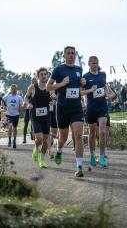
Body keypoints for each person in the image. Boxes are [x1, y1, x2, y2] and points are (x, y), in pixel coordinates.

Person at [46, 46, 86, 177]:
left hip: (76, 108)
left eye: (73, 53)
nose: (71, 55)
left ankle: (79, 167)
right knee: (63, 137)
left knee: (78, 135)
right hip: (62, 108)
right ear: (64, 55)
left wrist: (83, 83)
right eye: (68, 53)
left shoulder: (79, 69)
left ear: (75, 55)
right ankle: (59, 150)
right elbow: (48, 86)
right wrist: (62, 84)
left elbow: (79, 86)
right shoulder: (58, 69)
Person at [81, 56, 109, 168]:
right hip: (91, 108)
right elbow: (81, 92)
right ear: (89, 64)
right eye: (93, 63)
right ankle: (92, 155)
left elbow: (105, 87)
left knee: (102, 132)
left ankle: (102, 156)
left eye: (97, 63)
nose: (95, 65)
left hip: (102, 106)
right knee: (92, 134)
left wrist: (107, 93)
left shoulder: (103, 74)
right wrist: (90, 90)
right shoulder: (85, 77)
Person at [24, 68, 55, 168]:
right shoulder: (33, 87)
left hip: (47, 117)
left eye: (45, 74)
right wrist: (28, 104)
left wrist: (53, 101)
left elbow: (53, 99)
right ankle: (36, 148)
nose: (44, 76)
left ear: (47, 76)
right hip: (35, 117)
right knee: (39, 138)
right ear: (38, 76)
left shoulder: (50, 88)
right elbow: (26, 97)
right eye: (41, 74)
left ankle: (41, 160)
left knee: (45, 140)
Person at [2, 84, 24, 149]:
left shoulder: (19, 97)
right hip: (9, 114)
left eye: (15, 89)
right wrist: (4, 107)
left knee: (14, 128)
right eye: (12, 89)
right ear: (11, 90)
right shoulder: (8, 96)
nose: (14, 90)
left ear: (16, 90)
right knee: (10, 127)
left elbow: (21, 106)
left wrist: (21, 110)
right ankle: (9, 140)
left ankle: (14, 140)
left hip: (16, 115)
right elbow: (2, 100)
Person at [23, 77, 37, 144]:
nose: (34, 82)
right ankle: (24, 138)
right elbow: (25, 98)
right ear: (31, 82)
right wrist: (27, 104)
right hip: (28, 109)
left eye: (35, 81)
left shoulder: (38, 89)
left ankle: (33, 136)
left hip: (34, 109)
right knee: (26, 124)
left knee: (33, 123)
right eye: (33, 81)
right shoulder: (30, 88)